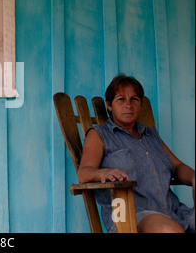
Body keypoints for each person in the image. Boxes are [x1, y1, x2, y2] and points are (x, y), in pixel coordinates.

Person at [78, 74, 195, 233]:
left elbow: (178, 165)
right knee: (169, 230)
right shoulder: (99, 135)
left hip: (174, 211)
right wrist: (103, 173)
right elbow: (84, 173)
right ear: (109, 105)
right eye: (121, 99)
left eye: (134, 99)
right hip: (130, 215)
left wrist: (194, 177)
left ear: (140, 104)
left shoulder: (151, 135)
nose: (128, 105)